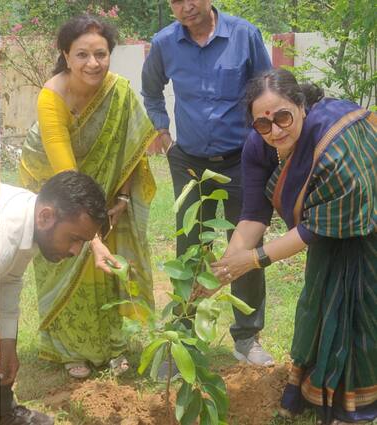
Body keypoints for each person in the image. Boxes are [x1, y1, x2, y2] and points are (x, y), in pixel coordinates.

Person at [209, 68, 376, 424]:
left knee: (363, 313)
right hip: (327, 236)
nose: (275, 130)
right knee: (320, 303)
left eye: (283, 116)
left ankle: (359, 397)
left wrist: (251, 261)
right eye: (263, 124)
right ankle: (321, 390)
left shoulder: (332, 135)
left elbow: (315, 228)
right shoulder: (258, 145)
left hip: (368, 228)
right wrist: (224, 268)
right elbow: (254, 214)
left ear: (301, 105)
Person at [19, 15, 157, 379]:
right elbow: (66, 177)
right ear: (66, 55)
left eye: (101, 54)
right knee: (65, 257)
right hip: (54, 188)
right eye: (82, 54)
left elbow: (131, 149)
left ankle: (114, 345)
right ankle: (68, 349)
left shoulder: (121, 92)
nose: (92, 63)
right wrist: (91, 237)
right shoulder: (52, 98)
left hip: (108, 191)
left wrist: (122, 201)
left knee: (110, 268)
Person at [141, 0, 274, 366]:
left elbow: (268, 87)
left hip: (242, 159)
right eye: (176, 1)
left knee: (245, 246)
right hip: (189, 162)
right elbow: (151, 90)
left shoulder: (244, 35)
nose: (186, 7)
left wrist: (264, 138)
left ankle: (247, 338)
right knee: (191, 245)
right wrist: (162, 131)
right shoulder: (164, 43)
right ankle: (183, 336)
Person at [0, 170, 110, 425]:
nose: (75, 251)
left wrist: (7, 342)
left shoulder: (35, 220)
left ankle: (4, 411)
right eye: (74, 239)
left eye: (83, 242)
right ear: (46, 217)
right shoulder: (4, 235)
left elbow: (9, 281)